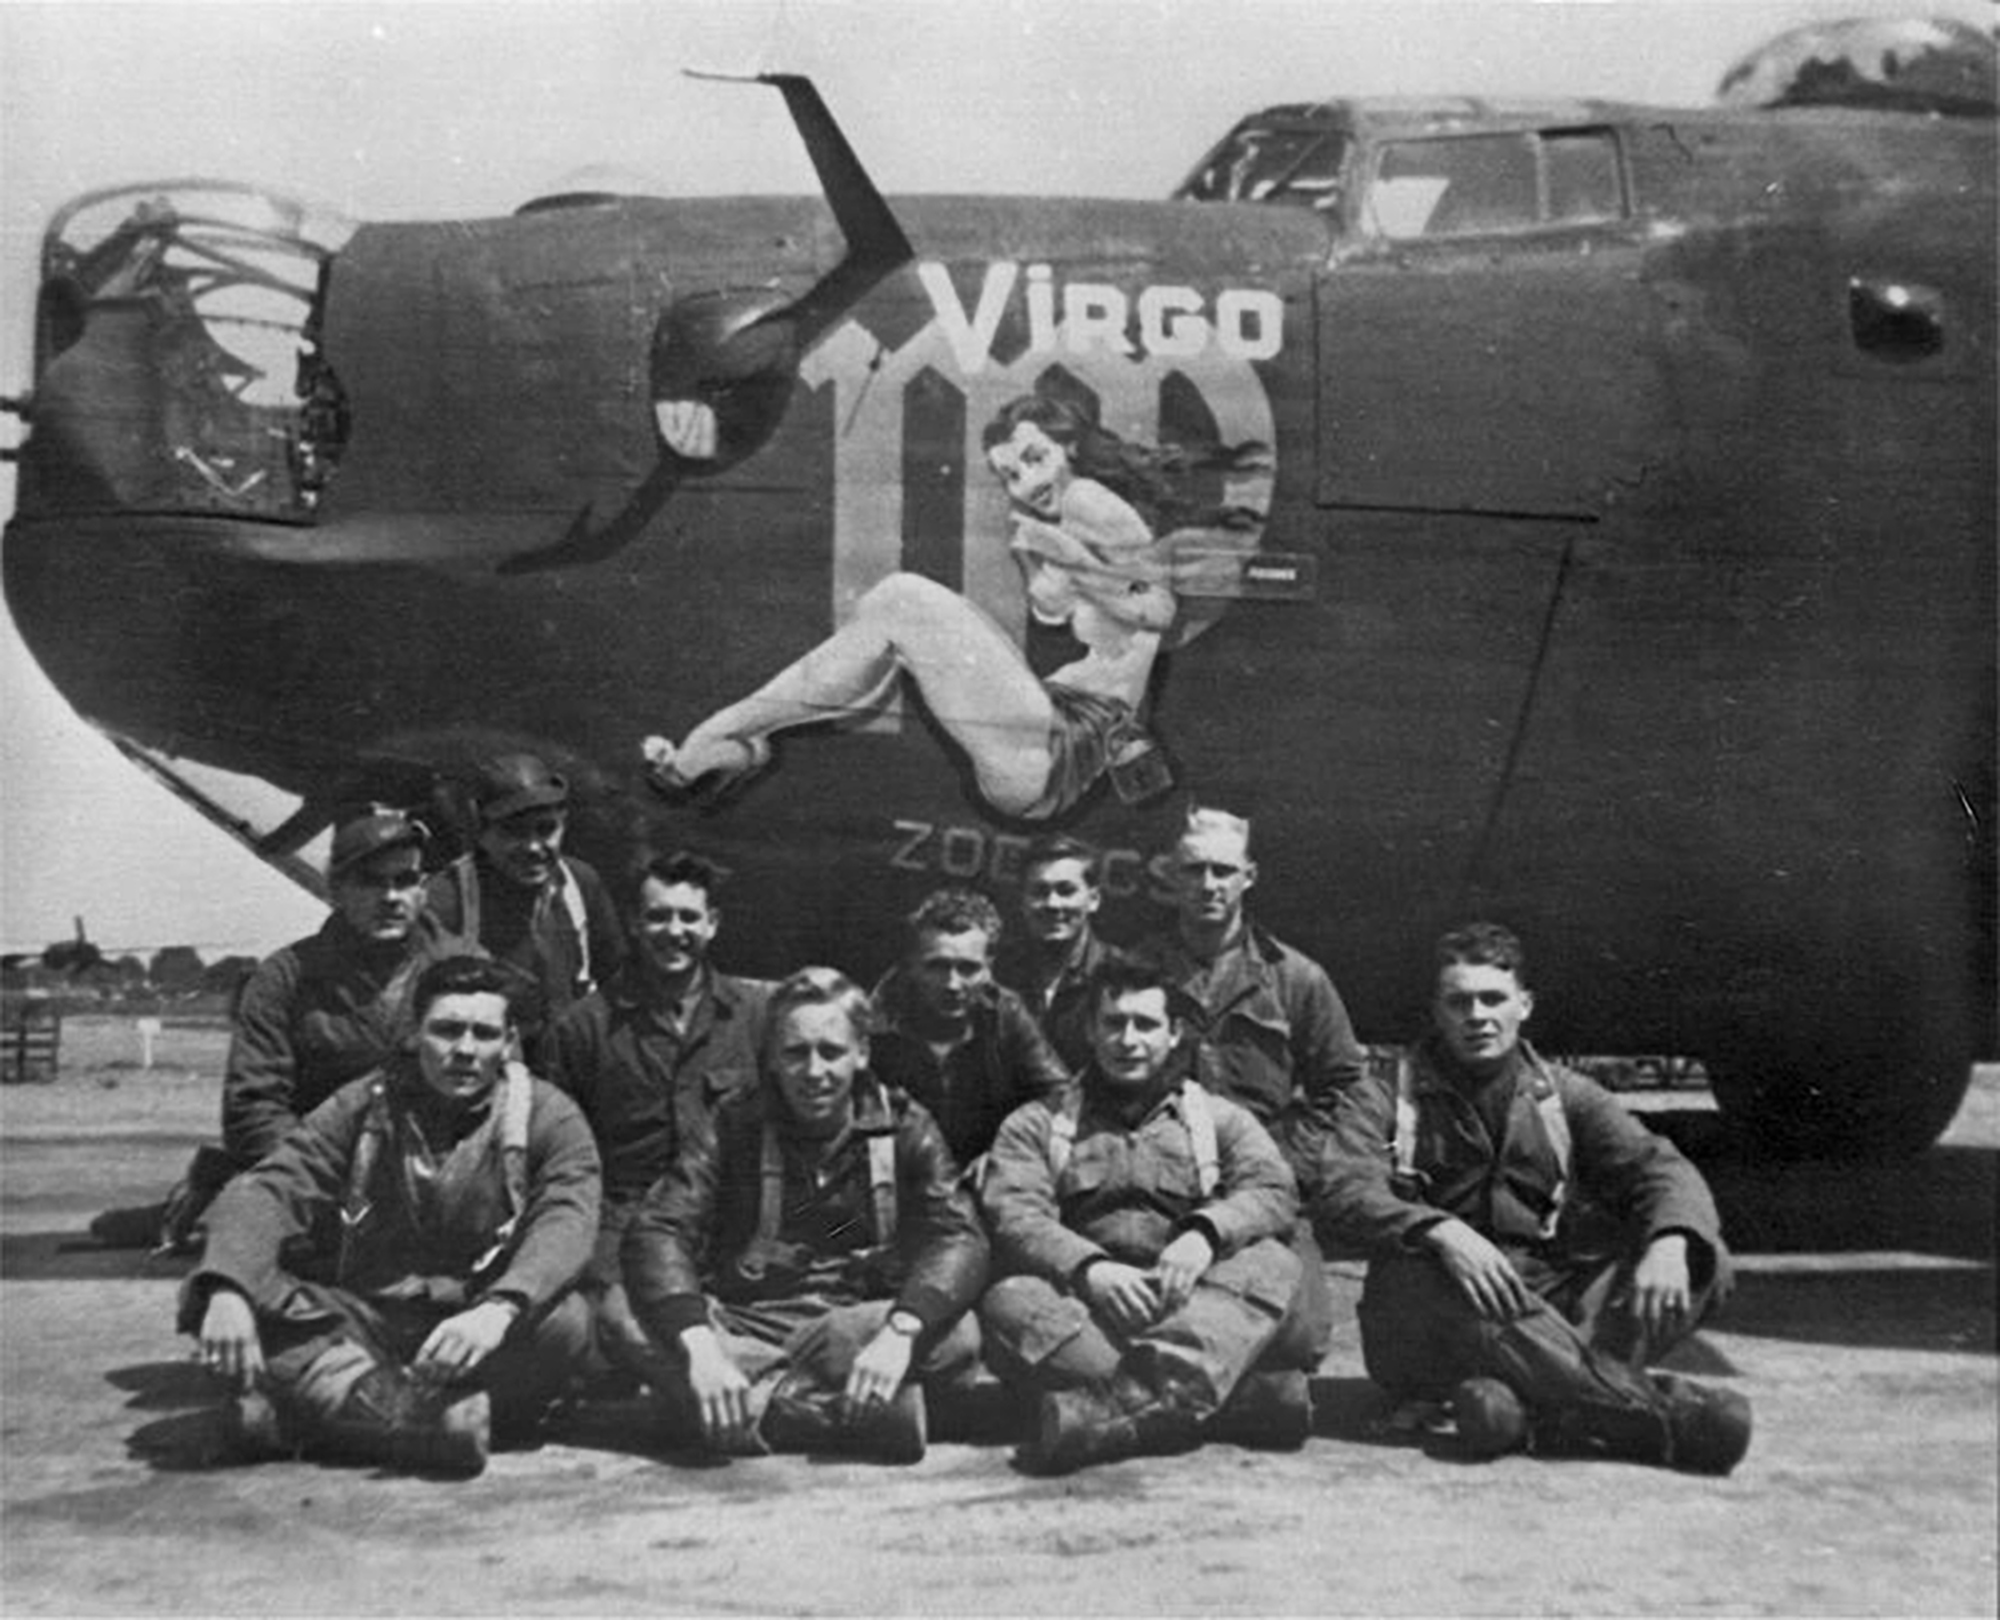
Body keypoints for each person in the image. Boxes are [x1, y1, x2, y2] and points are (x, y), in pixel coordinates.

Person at [645, 393, 1255, 818]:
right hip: (1047, 739)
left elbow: (1157, 611)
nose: (1027, 482)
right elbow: (1050, 609)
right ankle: (740, 746)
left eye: (1035, 457)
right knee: (894, 622)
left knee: (900, 600)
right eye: (1011, 474)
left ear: (1068, 445)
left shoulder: (1091, 502)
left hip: (1062, 741)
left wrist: (1063, 554)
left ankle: (719, 741)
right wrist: (1042, 559)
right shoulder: (1060, 514)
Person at [1317, 922, 1751, 1473]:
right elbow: (1341, 1187)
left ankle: (1530, 1413)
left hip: (1543, 1302)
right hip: (1436, 1317)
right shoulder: (1384, 1093)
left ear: (1524, 1005)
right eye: (1459, 1002)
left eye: (1493, 999)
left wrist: (1671, 1239)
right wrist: (1439, 1232)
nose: (1477, 1015)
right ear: (1437, 1011)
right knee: (1424, 1278)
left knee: (1702, 1262)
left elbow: (1656, 1166)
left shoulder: (1564, 1094)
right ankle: (1657, 1422)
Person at [181, 956, 602, 1475]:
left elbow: (568, 1216)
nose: (465, 1051)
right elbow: (270, 1185)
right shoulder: (364, 1104)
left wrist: (502, 1307)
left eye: (484, 1033)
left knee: (566, 1325)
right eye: (446, 1031)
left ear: (509, 1040)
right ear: (413, 1032)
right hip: (372, 1313)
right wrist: (229, 1289)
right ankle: (425, 1422)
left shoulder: (546, 1113)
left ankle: (321, 1416)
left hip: (478, 1322)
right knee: (219, 1296)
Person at [622, 968, 988, 1463]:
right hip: (745, 1322)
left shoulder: (905, 1126)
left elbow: (959, 1237)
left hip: (854, 1324)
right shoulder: (734, 1123)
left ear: (861, 1053)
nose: (814, 1072)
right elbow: (660, 1227)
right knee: (618, 1315)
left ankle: (742, 1406)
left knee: (958, 1336)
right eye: (795, 1053)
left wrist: (900, 1332)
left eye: (831, 1052)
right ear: (771, 1057)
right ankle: (831, 1416)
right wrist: (702, 1346)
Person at [979, 961, 1320, 1474]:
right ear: (1091, 1031)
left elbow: (1273, 1190)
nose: (1128, 1040)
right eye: (1114, 1023)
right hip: (1095, 1311)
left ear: (1173, 1032)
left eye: (1145, 1024)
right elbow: (1014, 1214)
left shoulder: (1218, 1118)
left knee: (1274, 1262)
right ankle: (1232, 1399)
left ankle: (1116, 1406)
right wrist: (1089, 1269)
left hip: (1199, 1301)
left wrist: (1205, 1233)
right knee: (1009, 1301)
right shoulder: (1038, 1123)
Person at [91, 805, 473, 1253]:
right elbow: (253, 1107)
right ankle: (205, 1199)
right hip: (319, 1177)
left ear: (423, 889)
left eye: (405, 880)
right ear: (337, 890)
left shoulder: (466, 970)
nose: (391, 897)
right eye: (370, 881)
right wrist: (330, 1185)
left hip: (435, 1176)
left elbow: (505, 1092)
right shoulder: (284, 978)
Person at [546, 851, 774, 1383]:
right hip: (624, 1231)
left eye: (689, 917)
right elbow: (562, 1165)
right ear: (632, 922)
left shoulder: (757, 1016)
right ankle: (771, 1392)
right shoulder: (581, 1030)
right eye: (658, 916)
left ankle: (728, 1383)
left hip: (727, 1231)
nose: (674, 931)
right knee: (628, 1330)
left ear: (712, 924)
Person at [1135, 805, 1366, 1200]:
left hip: (1259, 1184)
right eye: (1194, 870)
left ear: (1249, 877)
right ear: (1173, 876)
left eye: (1224, 871)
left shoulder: (1296, 978)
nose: (1209, 885)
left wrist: (1289, 1160)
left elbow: (1346, 1087)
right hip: (1156, 1184)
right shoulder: (1135, 973)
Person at [426, 751, 624, 1053]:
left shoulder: (581, 884)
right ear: (481, 831)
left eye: (546, 830)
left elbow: (617, 981)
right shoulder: (448, 899)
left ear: (564, 825)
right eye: (513, 832)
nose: (533, 847)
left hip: (569, 1061)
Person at [868, 886, 1071, 1170]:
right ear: (912, 964)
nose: (952, 984)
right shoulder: (875, 1024)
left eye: (968, 969)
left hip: (987, 1176)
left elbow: (1060, 1097)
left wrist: (1005, 1153)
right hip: (900, 1176)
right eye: (937, 966)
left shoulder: (1005, 1014)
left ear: (989, 966)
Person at [998, 834, 1132, 1075]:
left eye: (1066, 891)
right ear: (1022, 900)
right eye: (1039, 892)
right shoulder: (999, 970)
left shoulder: (1122, 976)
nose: (1052, 904)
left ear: (1093, 899)